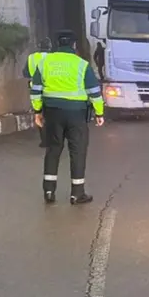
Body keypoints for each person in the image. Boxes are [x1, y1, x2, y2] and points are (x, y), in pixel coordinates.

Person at [30, 30, 105, 205]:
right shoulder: (81, 64)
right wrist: (99, 113)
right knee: (77, 151)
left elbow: (35, 91)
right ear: (74, 45)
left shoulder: (45, 63)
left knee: (53, 150)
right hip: (76, 114)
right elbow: (94, 92)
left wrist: (37, 112)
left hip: (52, 112)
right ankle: (77, 194)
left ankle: (49, 191)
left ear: (58, 44)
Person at [23, 37, 53, 148]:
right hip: (51, 89)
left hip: (35, 90)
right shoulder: (54, 57)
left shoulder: (31, 58)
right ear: (50, 47)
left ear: (39, 47)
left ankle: (44, 141)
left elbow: (25, 73)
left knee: (39, 113)